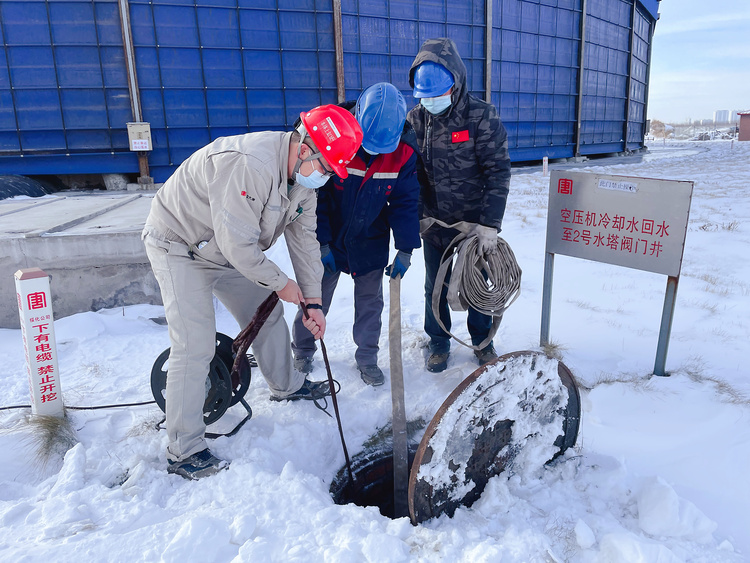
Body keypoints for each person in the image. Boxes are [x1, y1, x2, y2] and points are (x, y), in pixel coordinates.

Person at [142, 105, 363, 480]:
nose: (325, 177)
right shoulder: (252, 164)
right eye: (326, 167)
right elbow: (240, 247)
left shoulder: (302, 182)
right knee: (194, 345)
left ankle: (286, 385)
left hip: (224, 249)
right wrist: (282, 284)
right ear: (306, 146)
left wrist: (313, 301)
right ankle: (184, 449)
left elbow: (305, 241)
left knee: (268, 315)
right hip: (179, 244)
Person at [291, 83, 421, 386]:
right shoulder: (335, 134)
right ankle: (303, 349)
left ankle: (367, 358)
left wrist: (405, 248)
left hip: (370, 237)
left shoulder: (403, 152)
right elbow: (315, 197)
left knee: (370, 303)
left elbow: (405, 200)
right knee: (314, 296)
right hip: (330, 233)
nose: (372, 151)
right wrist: (321, 242)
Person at [407, 38, 511, 373]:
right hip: (435, 224)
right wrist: (420, 215)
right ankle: (438, 342)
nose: (431, 103)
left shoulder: (481, 117)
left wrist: (489, 224)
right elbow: (411, 174)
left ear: (456, 84)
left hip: (473, 225)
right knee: (434, 283)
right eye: (426, 97)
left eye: (438, 95)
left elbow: (498, 170)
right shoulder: (416, 120)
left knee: (475, 282)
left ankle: (482, 341)